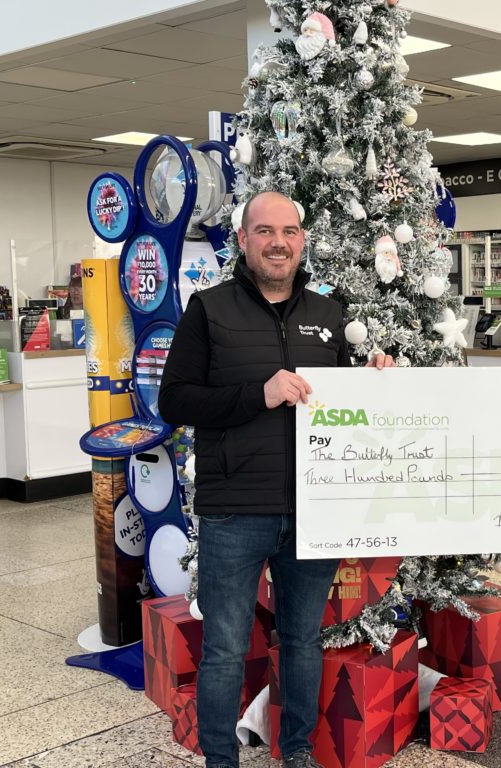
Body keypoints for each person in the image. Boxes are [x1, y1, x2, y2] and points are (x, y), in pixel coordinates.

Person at [159, 191, 393, 768]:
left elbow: (340, 410)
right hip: (235, 510)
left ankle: (296, 753)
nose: (278, 242)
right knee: (225, 650)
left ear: (303, 240)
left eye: (289, 231)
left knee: (303, 643)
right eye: (265, 231)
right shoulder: (208, 310)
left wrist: (370, 381)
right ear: (243, 239)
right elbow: (175, 399)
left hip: (312, 510)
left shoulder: (328, 314)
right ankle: (221, 760)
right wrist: (258, 396)